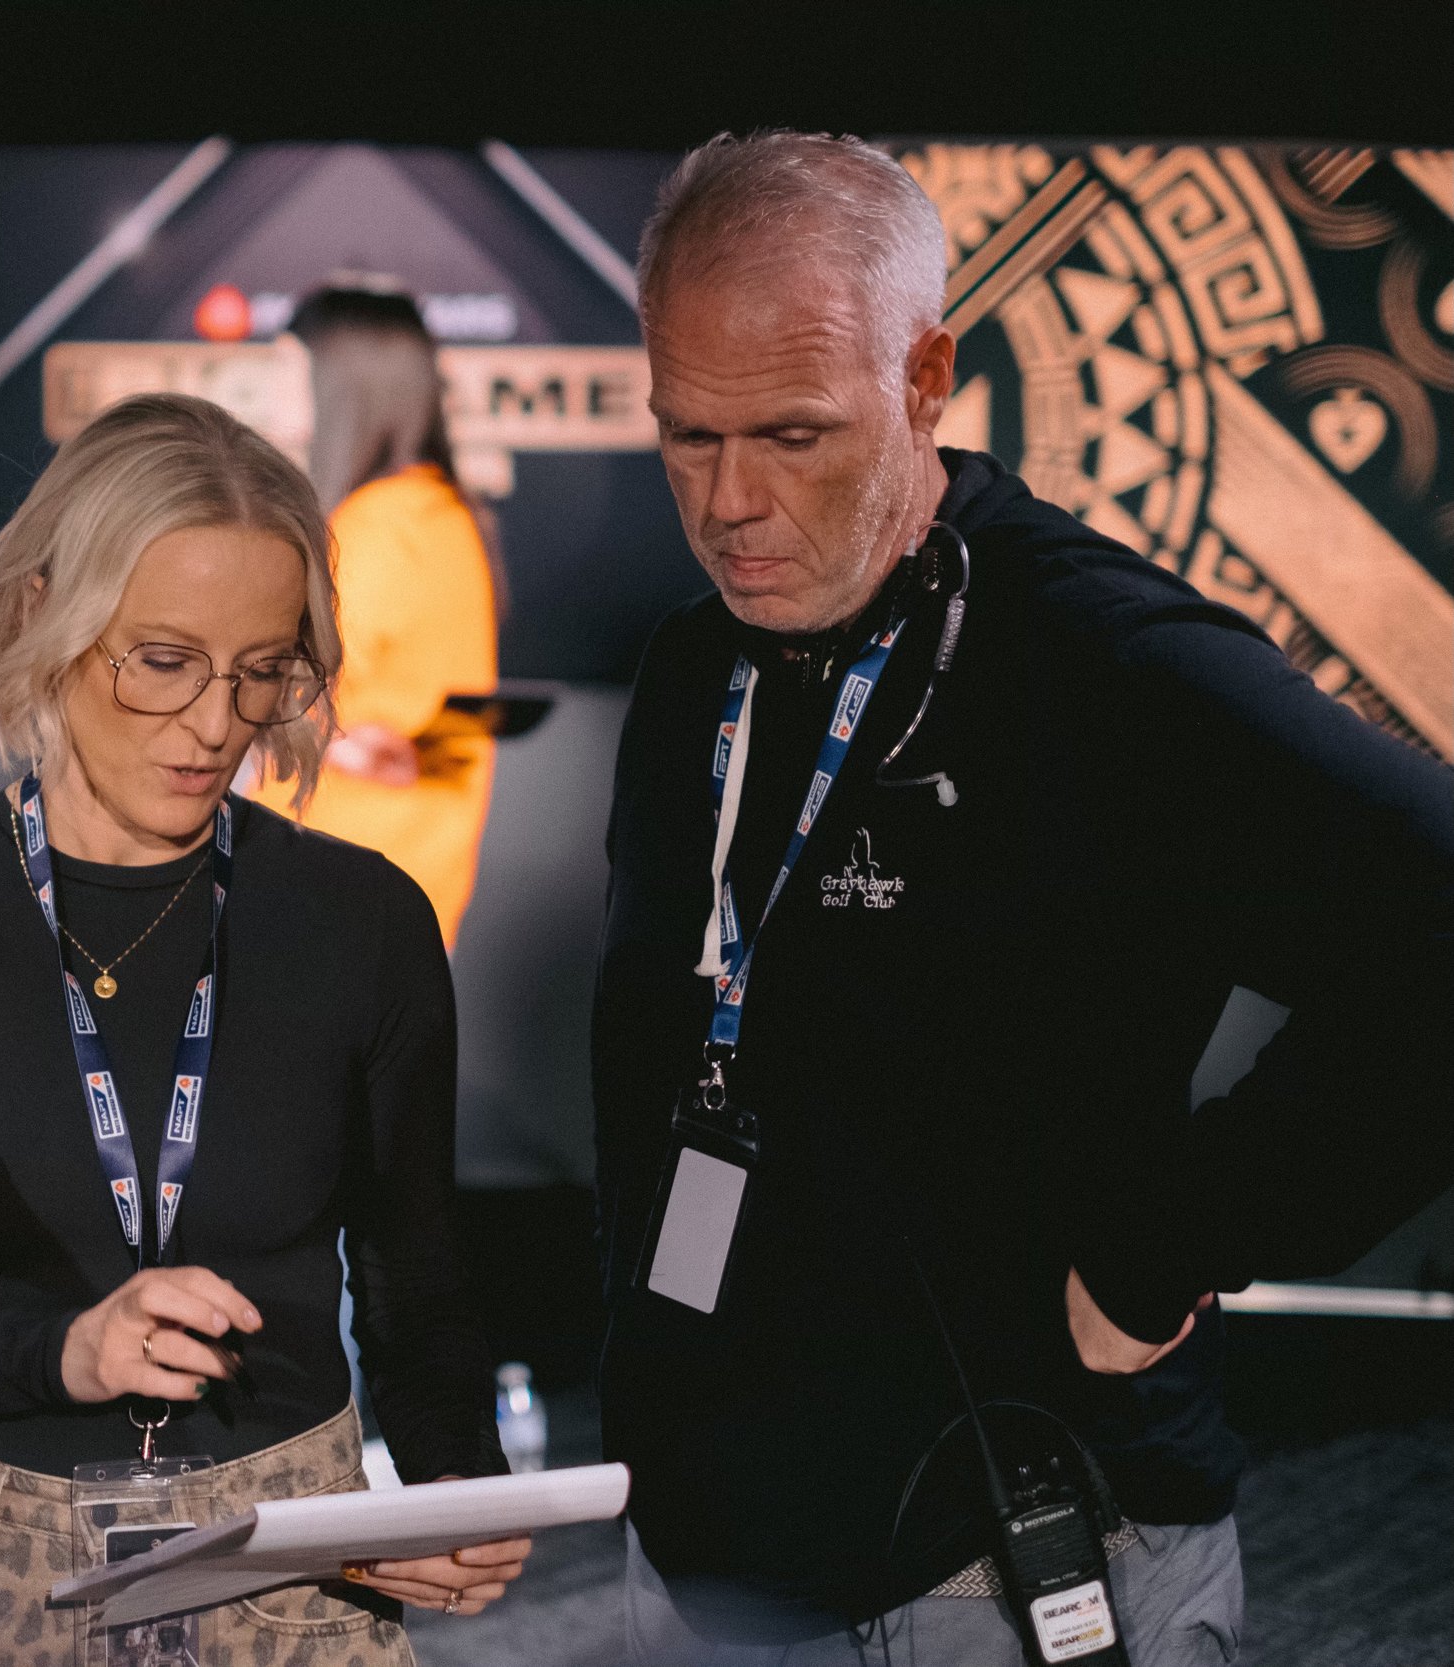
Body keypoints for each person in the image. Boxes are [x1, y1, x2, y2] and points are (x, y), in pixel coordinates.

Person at [593, 131, 1454, 1664]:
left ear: (925, 379)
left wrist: (1180, 1233)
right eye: (686, 436)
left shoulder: (1105, 661)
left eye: (792, 434)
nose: (730, 501)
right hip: (717, 1550)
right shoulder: (692, 671)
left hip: (1006, 1557)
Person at [0, 392, 531, 1663]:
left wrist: (453, 1494)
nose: (219, 722)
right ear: (45, 615)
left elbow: (417, 1282)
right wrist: (63, 1352)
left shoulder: (357, 918)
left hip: (298, 1581)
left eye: (265, 669)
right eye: (163, 658)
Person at [249, 285, 499, 949]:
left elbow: (285, 700)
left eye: (286, 371)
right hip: (388, 884)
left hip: (335, 888)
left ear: (342, 384)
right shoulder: (435, 514)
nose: (268, 398)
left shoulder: (378, 529)